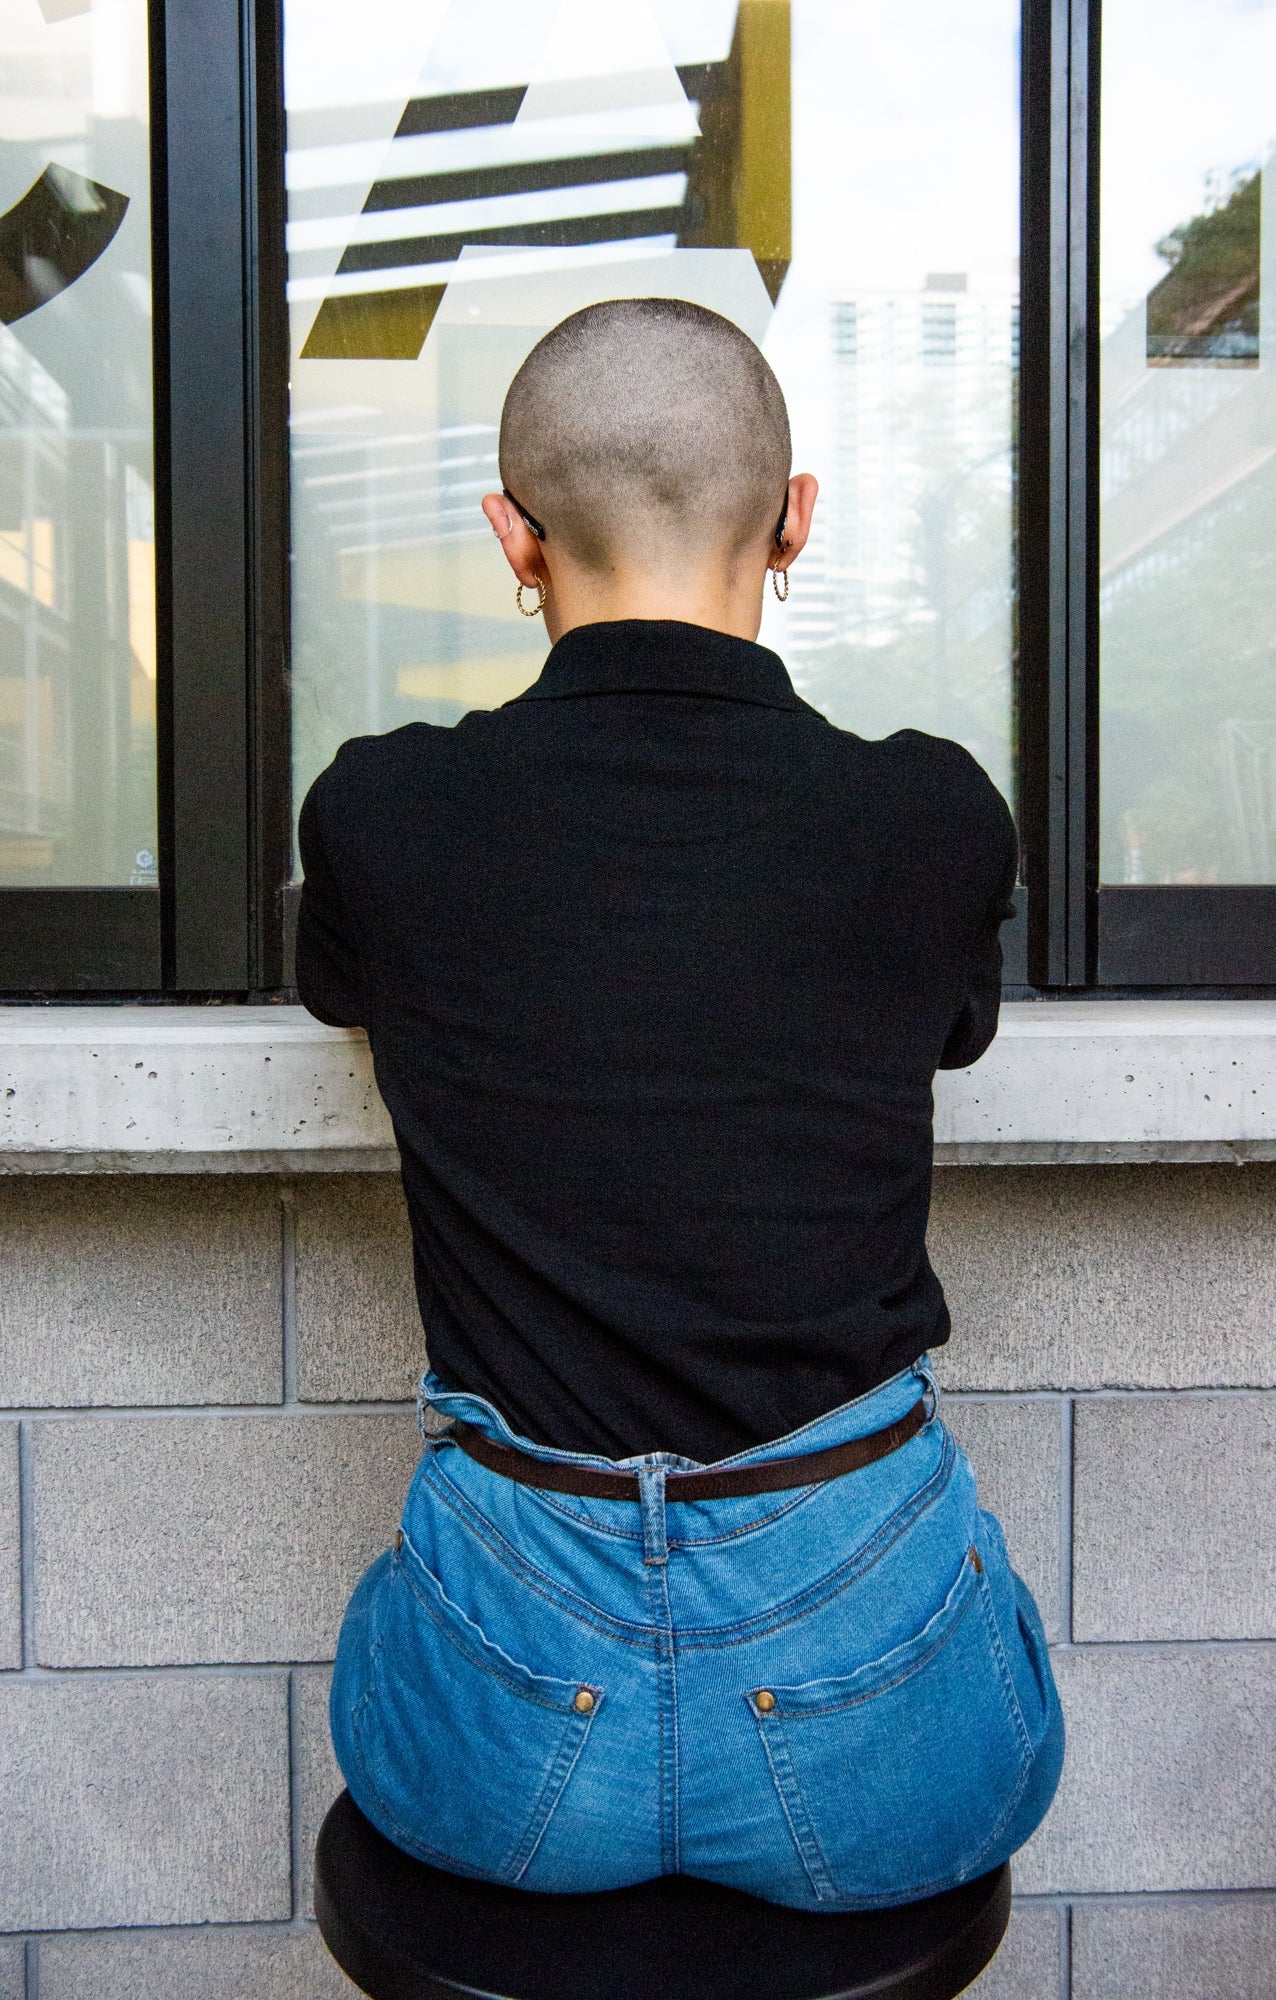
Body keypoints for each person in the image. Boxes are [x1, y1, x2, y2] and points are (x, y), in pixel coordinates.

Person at [296, 296, 1063, 1912]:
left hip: (501, 1740)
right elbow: (949, 1025)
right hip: (887, 1730)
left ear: (514, 537)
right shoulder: (927, 818)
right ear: (796, 520)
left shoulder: (384, 816)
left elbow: (347, 993)